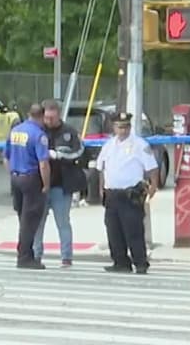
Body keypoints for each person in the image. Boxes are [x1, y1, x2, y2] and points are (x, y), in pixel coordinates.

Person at [96, 110, 159, 274]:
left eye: (126, 127)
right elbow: (102, 168)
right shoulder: (108, 145)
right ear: (114, 127)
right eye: (119, 127)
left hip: (130, 195)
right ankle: (120, 262)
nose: (123, 130)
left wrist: (153, 186)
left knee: (134, 231)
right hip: (112, 194)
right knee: (113, 231)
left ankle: (140, 263)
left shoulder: (140, 145)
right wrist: (102, 188)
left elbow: (152, 168)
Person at [32, 99, 85, 267]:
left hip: (61, 186)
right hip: (40, 186)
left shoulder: (69, 132)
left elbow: (79, 152)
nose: (49, 121)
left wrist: (59, 155)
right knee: (38, 223)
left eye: (52, 118)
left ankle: (66, 257)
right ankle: (36, 255)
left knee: (63, 222)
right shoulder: (38, 131)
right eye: (46, 117)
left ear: (59, 115)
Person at [3, 102, 50, 269]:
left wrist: (12, 175)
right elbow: (43, 164)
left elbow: (6, 158)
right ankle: (24, 258)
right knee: (29, 221)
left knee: (22, 218)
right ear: (42, 116)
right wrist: (46, 184)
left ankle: (26, 254)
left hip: (16, 178)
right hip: (31, 179)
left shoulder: (15, 131)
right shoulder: (39, 135)